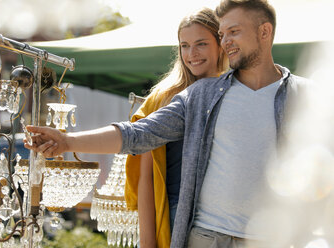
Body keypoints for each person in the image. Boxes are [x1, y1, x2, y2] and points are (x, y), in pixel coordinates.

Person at [24, 0, 309, 247]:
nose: (226, 42)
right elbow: (139, 133)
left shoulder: (307, 97)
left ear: (264, 31)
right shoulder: (201, 95)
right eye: (222, 34)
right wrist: (68, 141)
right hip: (205, 238)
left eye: (233, 32)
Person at [125, 7, 227, 248]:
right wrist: (148, 241)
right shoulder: (164, 98)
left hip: (223, 223)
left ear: (220, 43)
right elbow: (147, 177)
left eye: (201, 44)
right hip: (172, 215)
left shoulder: (235, 93)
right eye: (184, 45)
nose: (191, 54)